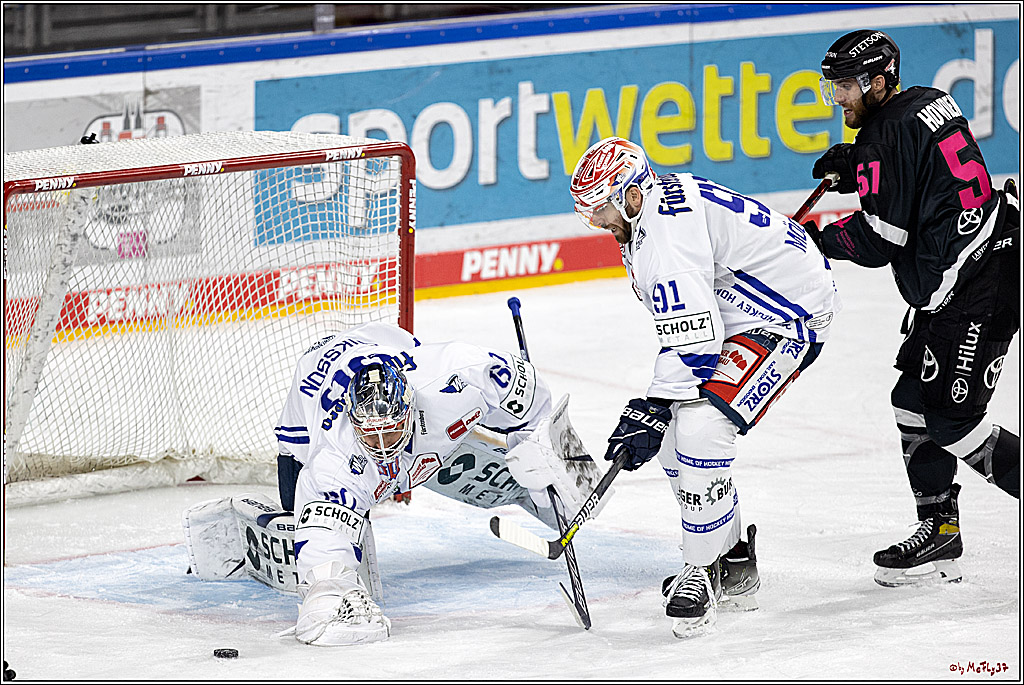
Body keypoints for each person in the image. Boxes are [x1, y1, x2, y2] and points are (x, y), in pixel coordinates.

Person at [569, 137, 841, 638]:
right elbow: (692, 327)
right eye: (588, 216)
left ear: (631, 194)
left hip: (787, 318)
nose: (598, 224)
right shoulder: (650, 213)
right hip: (744, 309)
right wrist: (656, 409)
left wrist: (652, 404)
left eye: (602, 210)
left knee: (697, 427)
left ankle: (700, 570)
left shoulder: (660, 235)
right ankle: (733, 558)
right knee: (673, 436)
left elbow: (696, 340)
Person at [806, 29, 1019, 587]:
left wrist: (816, 238)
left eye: (846, 87)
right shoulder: (927, 102)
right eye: (833, 89)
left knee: (954, 422)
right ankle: (940, 530)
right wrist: (858, 162)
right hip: (971, 264)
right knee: (911, 400)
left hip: (976, 283)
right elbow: (925, 169)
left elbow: (882, 241)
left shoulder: (884, 132)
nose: (840, 100)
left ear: (879, 81)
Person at [276, 322, 601, 645]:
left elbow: (528, 388)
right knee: (298, 505)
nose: (383, 445)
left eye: (391, 430)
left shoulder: (459, 376)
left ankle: (456, 455)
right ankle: (307, 517)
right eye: (371, 434)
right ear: (353, 421)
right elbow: (321, 609)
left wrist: (533, 440)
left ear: (409, 405)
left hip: (384, 341)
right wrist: (329, 582)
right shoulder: (334, 458)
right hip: (314, 377)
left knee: (579, 496)